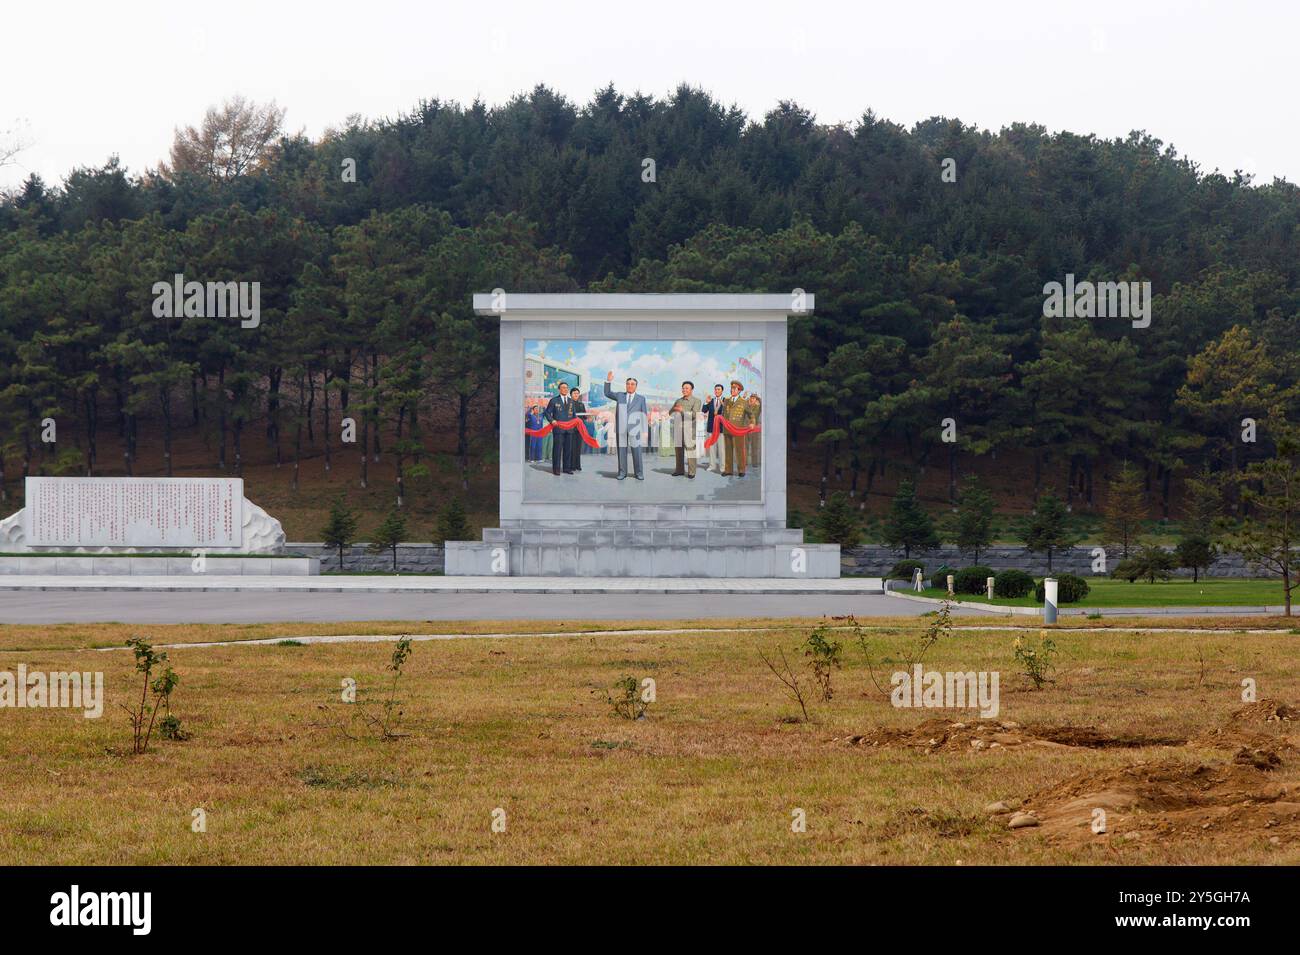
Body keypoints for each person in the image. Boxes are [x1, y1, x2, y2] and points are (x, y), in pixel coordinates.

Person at [603, 371, 648, 480]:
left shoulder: (641, 398)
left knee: (636, 452)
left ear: (636, 386)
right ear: (626, 385)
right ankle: (622, 472)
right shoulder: (620, 395)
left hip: (635, 428)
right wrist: (608, 381)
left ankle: (639, 473)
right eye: (628, 384)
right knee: (621, 451)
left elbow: (643, 414)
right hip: (621, 428)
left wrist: (644, 430)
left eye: (632, 384)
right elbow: (607, 393)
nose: (630, 386)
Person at [544, 381, 578, 475]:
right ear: (559, 389)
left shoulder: (571, 401)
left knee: (568, 450)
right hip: (558, 429)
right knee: (557, 450)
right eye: (563, 387)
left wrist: (575, 424)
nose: (565, 389)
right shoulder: (554, 400)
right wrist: (552, 420)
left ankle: (567, 468)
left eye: (566, 388)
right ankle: (556, 469)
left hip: (569, 430)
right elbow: (547, 413)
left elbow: (574, 415)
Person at [670, 381, 702, 478]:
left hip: (689, 429)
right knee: (678, 450)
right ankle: (679, 470)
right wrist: (670, 412)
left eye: (686, 388)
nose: (684, 390)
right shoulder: (678, 401)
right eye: (683, 388)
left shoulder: (696, 401)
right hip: (678, 429)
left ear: (691, 390)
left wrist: (681, 410)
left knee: (690, 450)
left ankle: (692, 472)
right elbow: (671, 411)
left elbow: (694, 414)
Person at [721, 379, 749, 477]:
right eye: (731, 388)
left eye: (734, 388)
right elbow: (723, 413)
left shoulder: (743, 402)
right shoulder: (726, 400)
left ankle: (741, 470)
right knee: (728, 450)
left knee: (739, 450)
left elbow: (751, 415)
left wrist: (752, 423)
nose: (732, 390)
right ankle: (728, 470)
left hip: (738, 429)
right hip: (727, 429)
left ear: (739, 390)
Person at [702, 383, 725, 473]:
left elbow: (728, 412)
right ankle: (712, 466)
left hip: (721, 428)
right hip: (711, 428)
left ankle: (722, 467)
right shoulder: (710, 401)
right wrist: (706, 402)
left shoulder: (725, 400)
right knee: (712, 448)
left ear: (722, 391)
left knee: (721, 449)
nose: (717, 391)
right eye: (715, 389)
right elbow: (704, 410)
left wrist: (725, 406)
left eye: (719, 389)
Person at [570, 389, 587, 471]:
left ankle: (577, 465)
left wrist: (587, 416)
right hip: (571, 428)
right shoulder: (568, 403)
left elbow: (584, 415)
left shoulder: (581, 404)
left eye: (577, 393)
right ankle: (571, 465)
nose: (576, 395)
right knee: (571, 448)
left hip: (579, 429)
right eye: (574, 393)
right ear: (571, 394)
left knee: (578, 447)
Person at [746, 393, 762, 467]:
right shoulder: (747, 406)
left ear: (756, 400)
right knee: (745, 446)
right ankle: (745, 462)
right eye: (751, 397)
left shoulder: (758, 406)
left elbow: (762, 404)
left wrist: (759, 400)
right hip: (746, 429)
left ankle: (754, 463)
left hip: (755, 429)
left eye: (754, 398)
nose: (752, 399)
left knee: (754, 446)